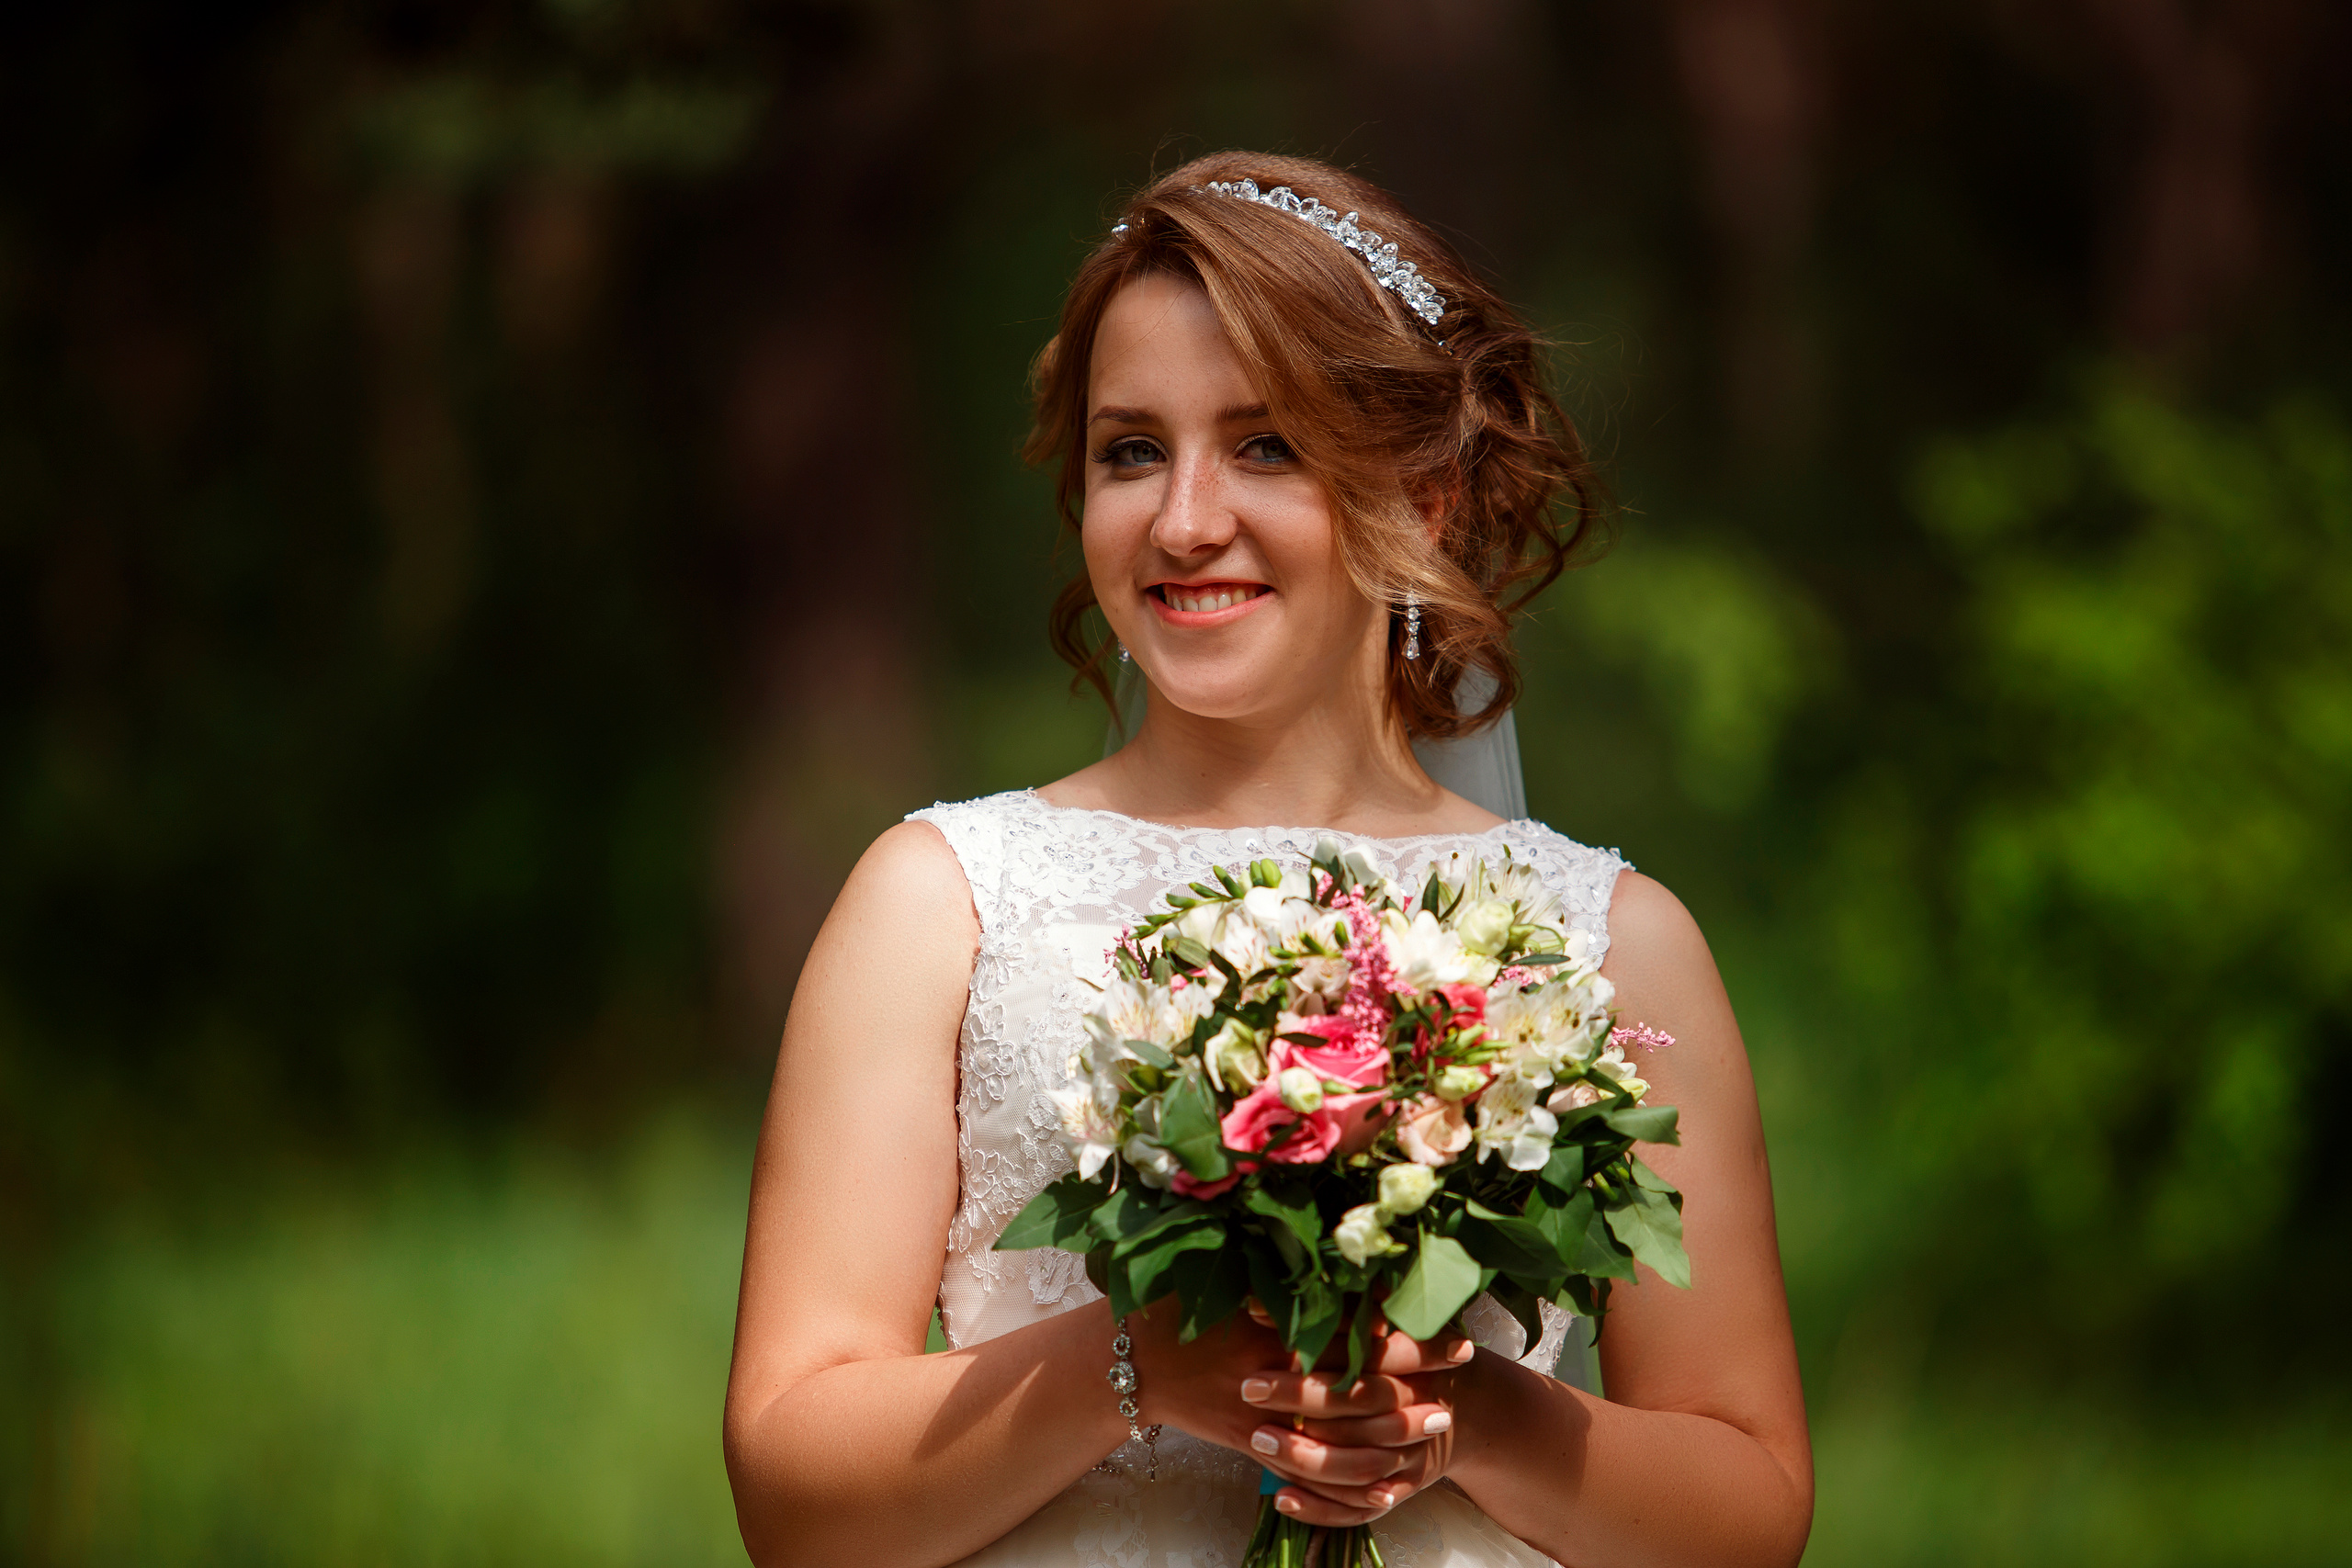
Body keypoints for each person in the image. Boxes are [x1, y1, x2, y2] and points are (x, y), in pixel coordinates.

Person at [723, 152, 1813, 1568]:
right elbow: (790, 1499)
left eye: (1267, 446)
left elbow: (1751, 1512)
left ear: (1427, 493)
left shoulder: (1610, 939)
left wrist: (1467, 1413)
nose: (1184, 521)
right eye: (1131, 451)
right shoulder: (939, 904)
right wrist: (1135, 1366)